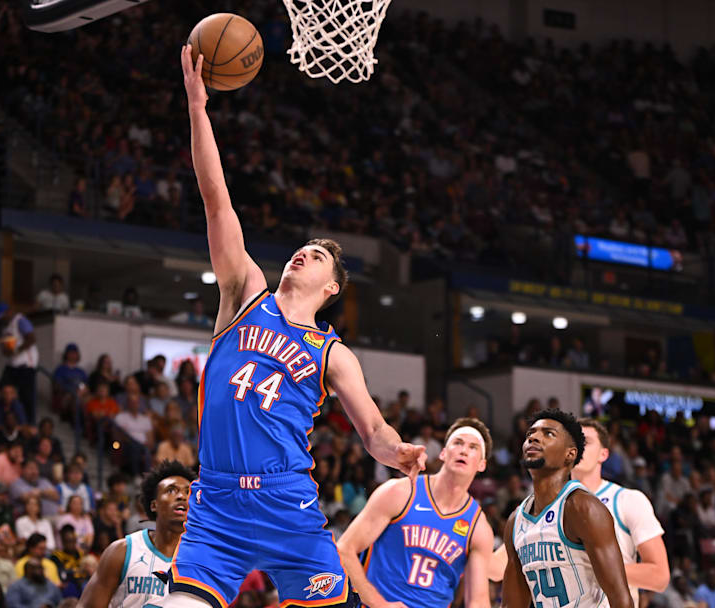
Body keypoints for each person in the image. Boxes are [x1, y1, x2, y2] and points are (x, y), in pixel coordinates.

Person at [159, 45, 427, 608]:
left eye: (317, 256)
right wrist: (197, 108)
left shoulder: (334, 354)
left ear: (331, 289)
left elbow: (373, 433)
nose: (302, 255)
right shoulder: (243, 294)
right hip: (217, 502)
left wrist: (398, 452)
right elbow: (216, 201)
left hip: (288, 503)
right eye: (300, 250)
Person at [336, 418, 495, 608]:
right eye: (458, 443)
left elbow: (478, 601)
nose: (463, 450)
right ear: (443, 453)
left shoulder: (478, 526)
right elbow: (344, 549)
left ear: (482, 465)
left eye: (473, 447)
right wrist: (381, 605)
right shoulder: (401, 492)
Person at [501, 410, 633, 608]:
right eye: (530, 434)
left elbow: (621, 600)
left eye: (548, 433)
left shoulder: (582, 508)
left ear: (570, 454)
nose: (534, 438)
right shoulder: (516, 521)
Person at [569, 419, 669, 605]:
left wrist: (594, 569)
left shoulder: (627, 500)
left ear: (603, 454)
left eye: (586, 441)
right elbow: (496, 569)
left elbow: (659, 576)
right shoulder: (545, 507)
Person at [77, 460, 195, 608]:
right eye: (171, 490)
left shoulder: (202, 561)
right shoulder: (122, 551)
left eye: (188, 492)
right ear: (154, 505)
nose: (182, 497)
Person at [0, 303, 39, 423]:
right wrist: (7, 350)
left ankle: (30, 424)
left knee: (27, 396)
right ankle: (6, 416)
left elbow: (31, 338)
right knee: (3, 385)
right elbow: (5, 350)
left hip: (26, 365)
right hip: (12, 364)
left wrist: (16, 350)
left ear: (8, 312)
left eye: (2, 317)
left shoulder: (20, 320)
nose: (1, 320)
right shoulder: (4, 328)